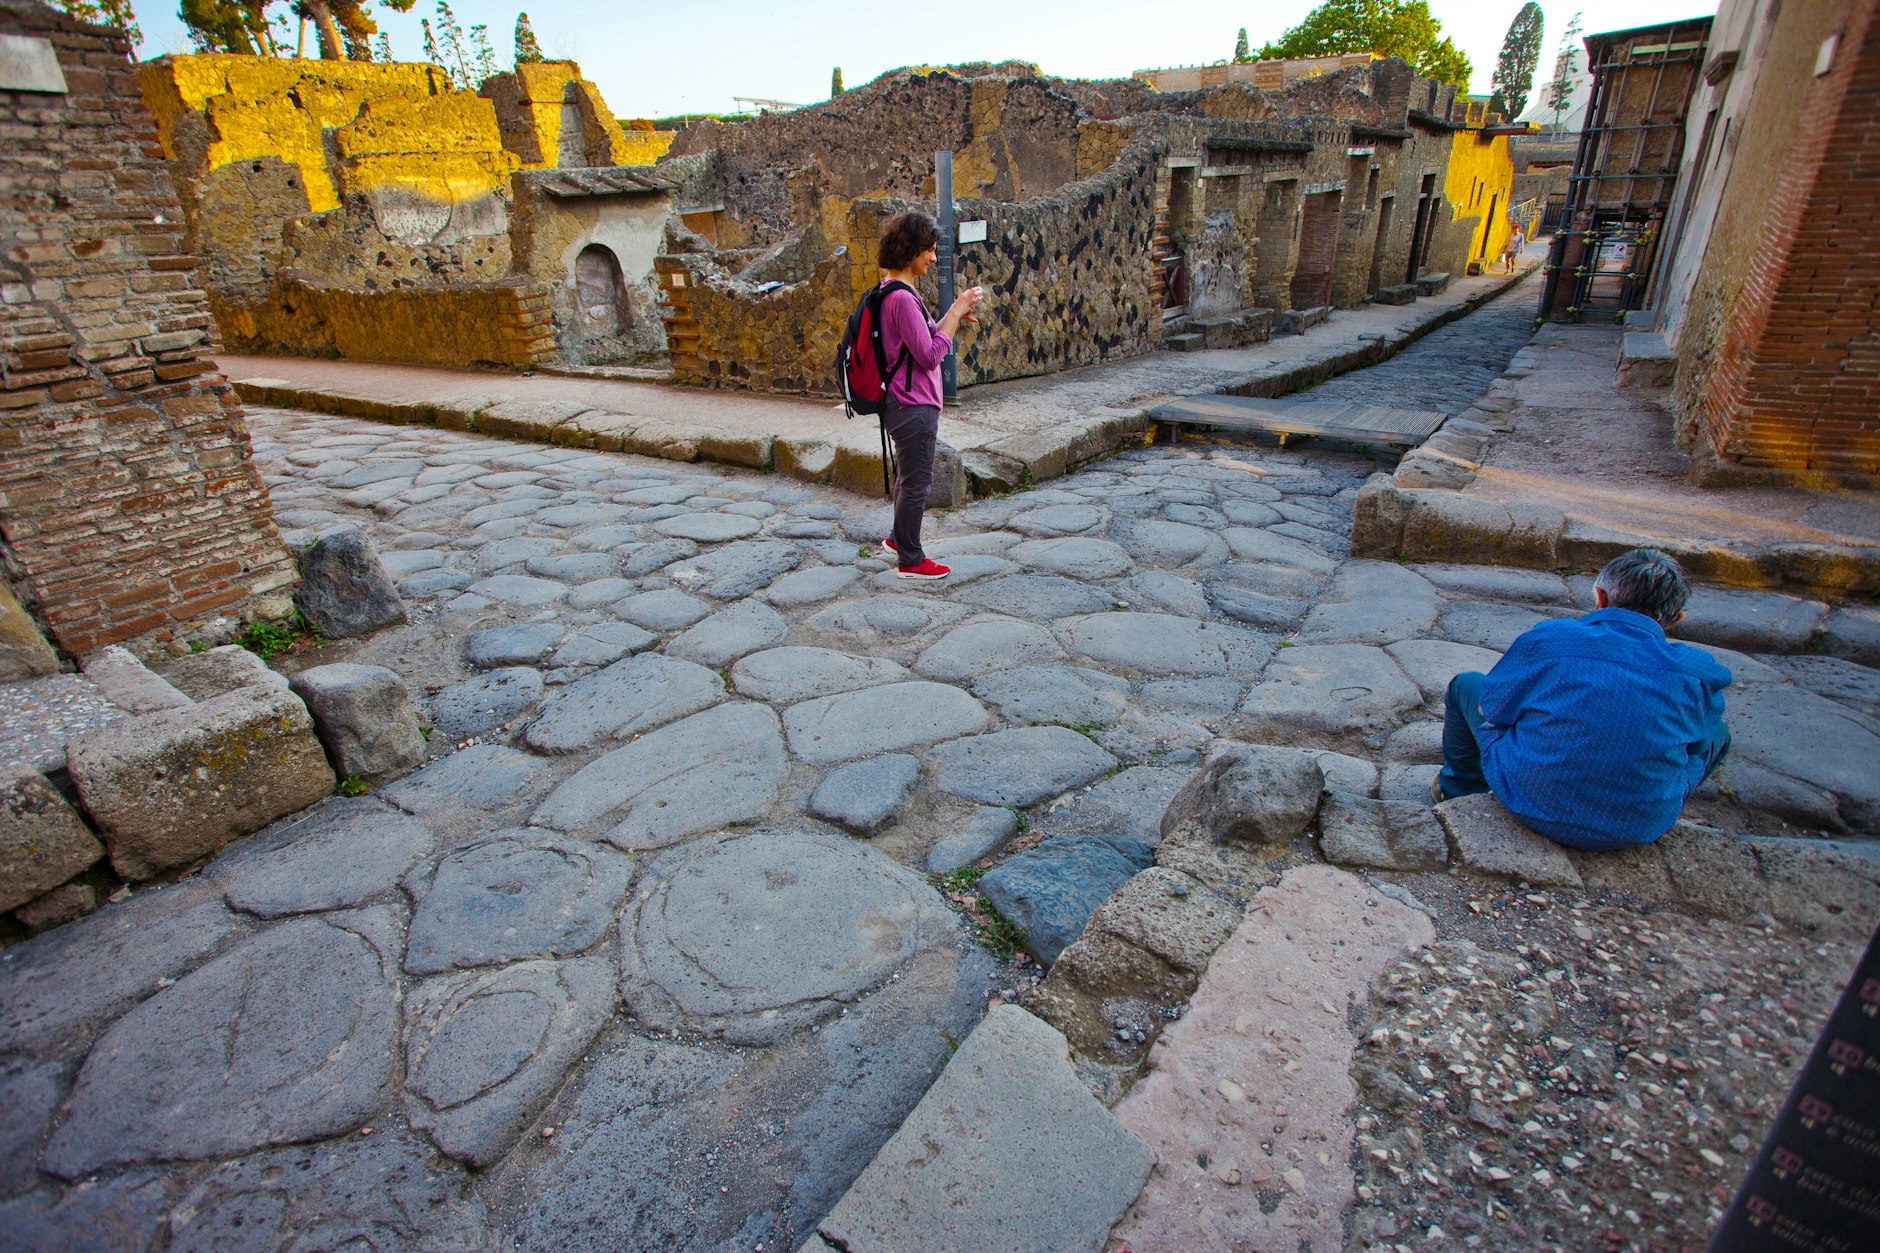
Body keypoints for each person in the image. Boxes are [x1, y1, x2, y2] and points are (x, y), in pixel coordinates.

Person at [1434, 548, 1733, 852]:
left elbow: (1490, 709)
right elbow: (1697, 745)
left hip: (1529, 803)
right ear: (1676, 619)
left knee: (1466, 685)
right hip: (1637, 828)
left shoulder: (1552, 638)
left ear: (1600, 596)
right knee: (1719, 734)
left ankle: (1458, 790)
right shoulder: (1698, 671)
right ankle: (1646, 796)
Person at [873, 212, 982, 580]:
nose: (933, 258)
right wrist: (954, 315)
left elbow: (916, 342)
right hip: (912, 404)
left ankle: (896, 539)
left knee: (907, 476)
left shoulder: (891, 289)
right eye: (929, 250)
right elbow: (930, 355)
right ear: (911, 250)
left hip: (902, 402)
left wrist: (952, 314)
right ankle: (911, 558)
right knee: (918, 481)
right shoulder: (901, 298)